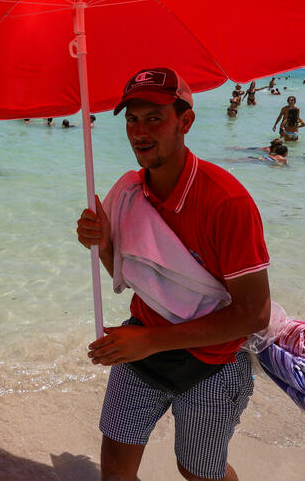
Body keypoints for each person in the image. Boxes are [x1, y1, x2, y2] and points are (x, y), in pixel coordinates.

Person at [76, 68, 270, 481]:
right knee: (115, 470)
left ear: (185, 122)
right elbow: (130, 279)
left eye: (154, 118)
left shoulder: (227, 202)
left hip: (216, 359)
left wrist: (150, 341)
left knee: (198, 471)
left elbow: (254, 314)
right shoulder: (130, 192)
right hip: (142, 343)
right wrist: (103, 243)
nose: (139, 132)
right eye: (131, 119)